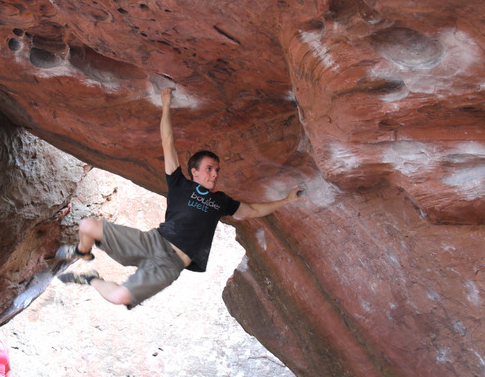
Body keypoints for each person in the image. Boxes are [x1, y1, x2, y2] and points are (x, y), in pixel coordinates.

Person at [55, 87, 305, 308]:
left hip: (171, 263)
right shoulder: (178, 183)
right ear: (194, 171)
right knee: (87, 225)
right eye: (210, 168)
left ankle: (91, 278)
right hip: (153, 241)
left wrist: (286, 200)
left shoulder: (221, 201)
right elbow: (168, 141)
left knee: (120, 296)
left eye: (218, 170)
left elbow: (252, 209)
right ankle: (82, 252)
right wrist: (165, 106)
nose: (215, 174)